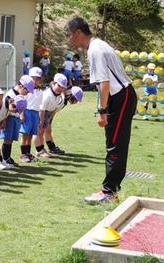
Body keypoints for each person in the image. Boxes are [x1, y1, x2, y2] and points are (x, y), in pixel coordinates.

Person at [65, 16, 137, 204]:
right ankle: (111, 190)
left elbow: (104, 83)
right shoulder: (98, 45)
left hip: (120, 96)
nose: (68, 39)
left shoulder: (95, 50)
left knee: (114, 145)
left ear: (78, 33)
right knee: (116, 145)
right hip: (121, 95)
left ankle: (109, 192)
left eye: (69, 35)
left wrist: (102, 111)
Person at [1, 75, 34, 166]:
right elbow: (6, 109)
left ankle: (8, 157)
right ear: (21, 86)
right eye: (26, 90)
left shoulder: (19, 94)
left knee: (11, 139)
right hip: (9, 118)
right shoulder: (10, 94)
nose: (27, 93)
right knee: (7, 139)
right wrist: (4, 120)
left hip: (16, 118)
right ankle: (5, 158)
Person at [20, 67, 43, 162]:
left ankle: (28, 153)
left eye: (38, 78)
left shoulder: (40, 91)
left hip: (35, 114)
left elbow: (39, 105)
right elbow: (21, 102)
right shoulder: (26, 90)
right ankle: (23, 154)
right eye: (34, 78)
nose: (35, 80)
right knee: (25, 134)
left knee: (30, 135)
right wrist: (22, 114)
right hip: (27, 112)